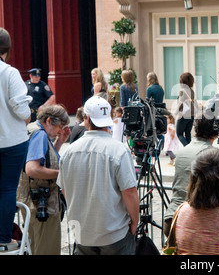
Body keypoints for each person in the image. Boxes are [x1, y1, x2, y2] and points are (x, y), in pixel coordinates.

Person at [57, 96, 139, 255]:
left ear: (87, 119)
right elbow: (129, 191)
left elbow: (65, 190)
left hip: (83, 233)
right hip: (114, 232)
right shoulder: (119, 150)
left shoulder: (70, 152)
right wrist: (135, 220)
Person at [16, 104, 71, 255]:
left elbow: (44, 159)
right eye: (60, 126)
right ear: (48, 120)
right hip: (41, 202)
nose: (61, 130)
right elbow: (32, 168)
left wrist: (59, 143)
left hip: (30, 199)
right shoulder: (40, 135)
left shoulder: (33, 129)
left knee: (37, 245)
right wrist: (61, 173)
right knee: (47, 248)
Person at [0, 27, 32, 252]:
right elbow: (22, 110)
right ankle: (4, 236)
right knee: (8, 188)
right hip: (11, 139)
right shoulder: (8, 72)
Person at [163, 116, 218, 237]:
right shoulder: (213, 154)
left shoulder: (182, 152)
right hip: (193, 222)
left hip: (172, 217)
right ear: (216, 133)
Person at [176, 72, 196, 146]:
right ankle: (190, 150)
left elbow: (180, 104)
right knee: (188, 134)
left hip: (183, 115)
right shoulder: (192, 91)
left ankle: (187, 148)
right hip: (191, 115)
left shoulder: (182, 91)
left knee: (179, 134)